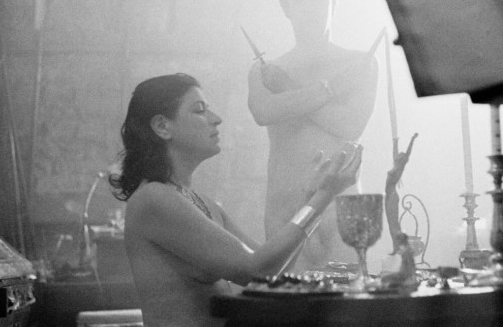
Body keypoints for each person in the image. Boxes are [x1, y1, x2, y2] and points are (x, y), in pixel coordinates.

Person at [109, 73, 363, 327]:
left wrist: (310, 198)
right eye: (199, 110)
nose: (216, 119)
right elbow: (255, 270)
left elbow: (274, 274)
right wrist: (322, 199)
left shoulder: (204, 204)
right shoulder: (153, 198)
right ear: (162, 126)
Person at [231, 0, 379, 270]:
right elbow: (264, 112)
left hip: (343, 210)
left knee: (349, 298)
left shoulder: (361, 63)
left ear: (334, 2)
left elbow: (349, 125)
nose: (310, 8)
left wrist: (288, 90)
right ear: (287, 8)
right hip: (284, 210)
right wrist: (330, 89)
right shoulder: (264, 70)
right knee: (289, 299)